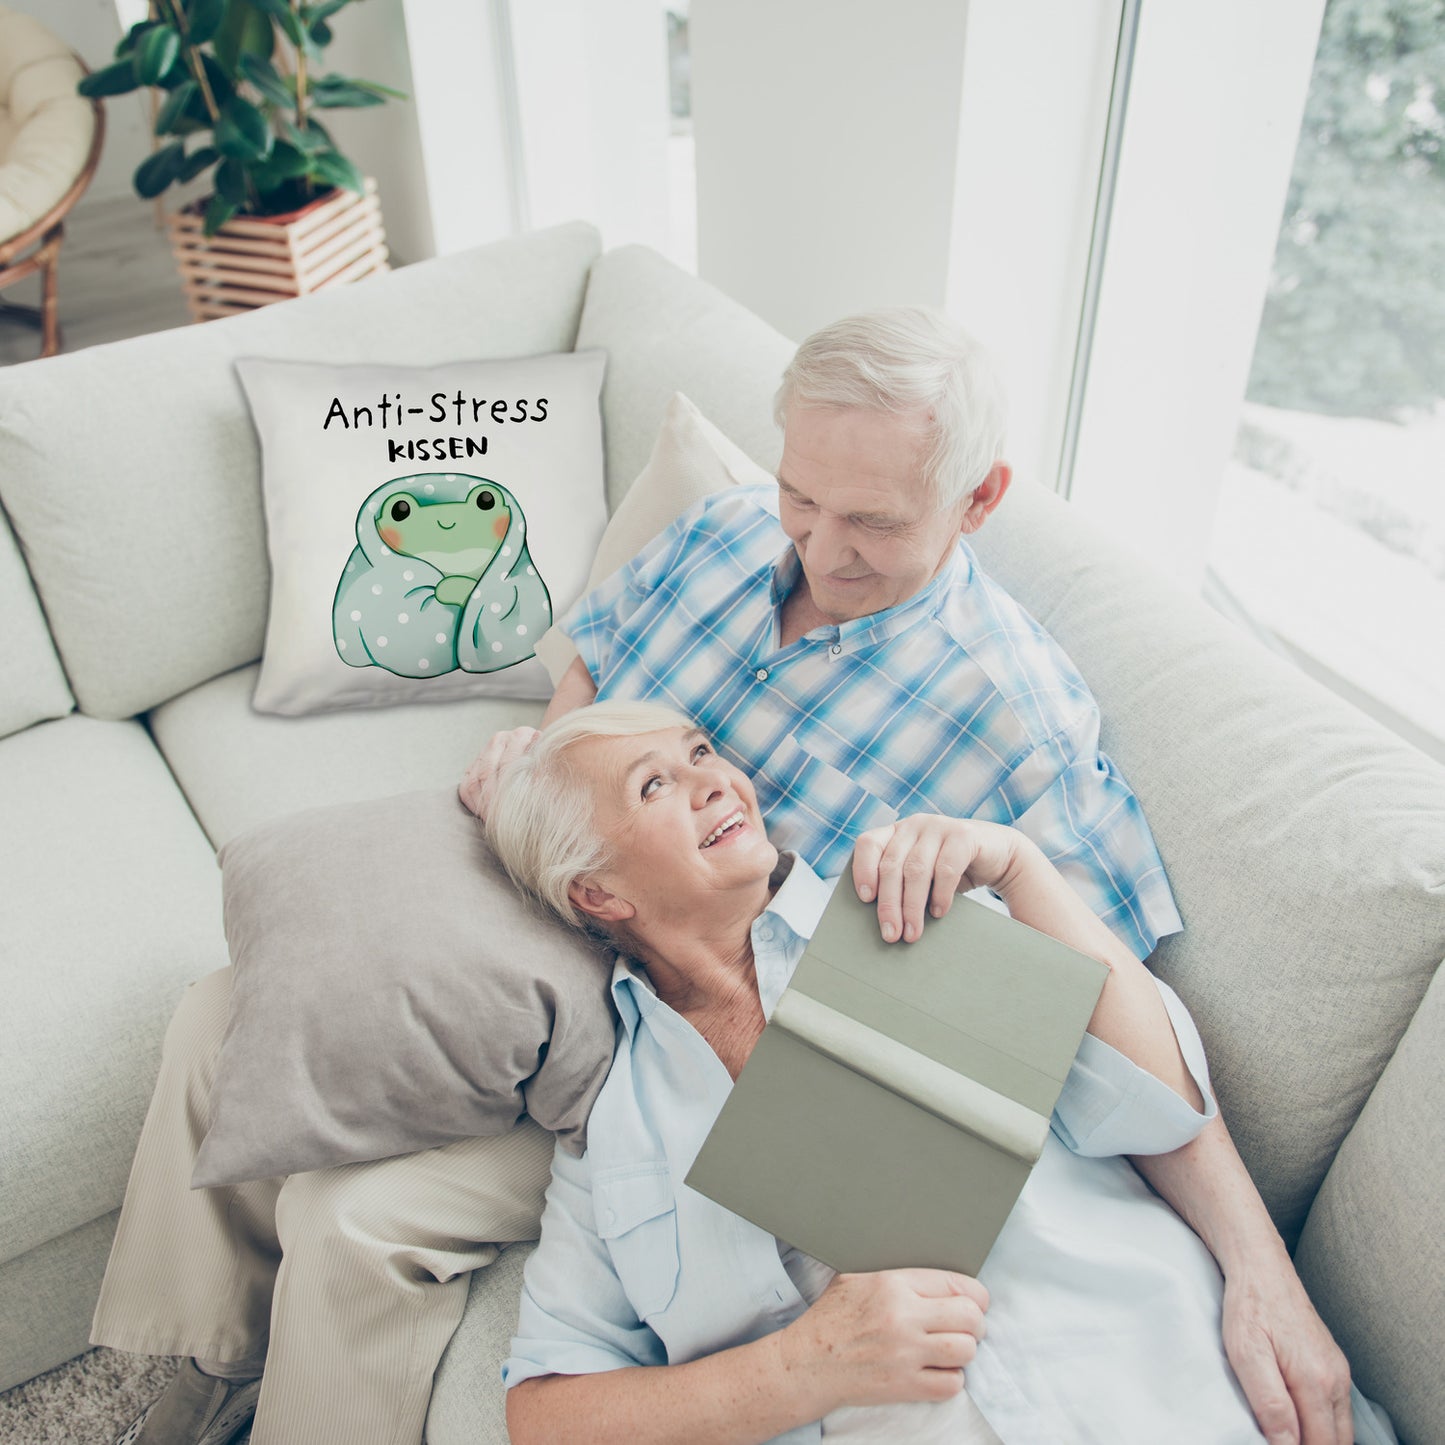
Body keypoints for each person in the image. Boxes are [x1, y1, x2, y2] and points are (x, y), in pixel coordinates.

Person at [94, 309, 1348, 1445]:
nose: (818, 545)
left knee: (355, 1218)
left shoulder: (1016, 725)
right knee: (229, 1007)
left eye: (871, 520)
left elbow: (1103, 1021)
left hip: (691, 1014)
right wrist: (545, 764)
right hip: (579, 887)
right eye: (804, 495)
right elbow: (592, 665)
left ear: (976, 501)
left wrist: (1260, 1267)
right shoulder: (725, 532)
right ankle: (192, 1363)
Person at [486, 700, 1385, 1445]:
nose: (714, 779)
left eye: (700, 751)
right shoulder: (615, 1132)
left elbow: (1158, 1106)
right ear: (597, 893)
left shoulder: (909, 907)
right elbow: (545, 1412)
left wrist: (1020, 868)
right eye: (655, 784)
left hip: (1174, 1393)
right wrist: (803, 1367)